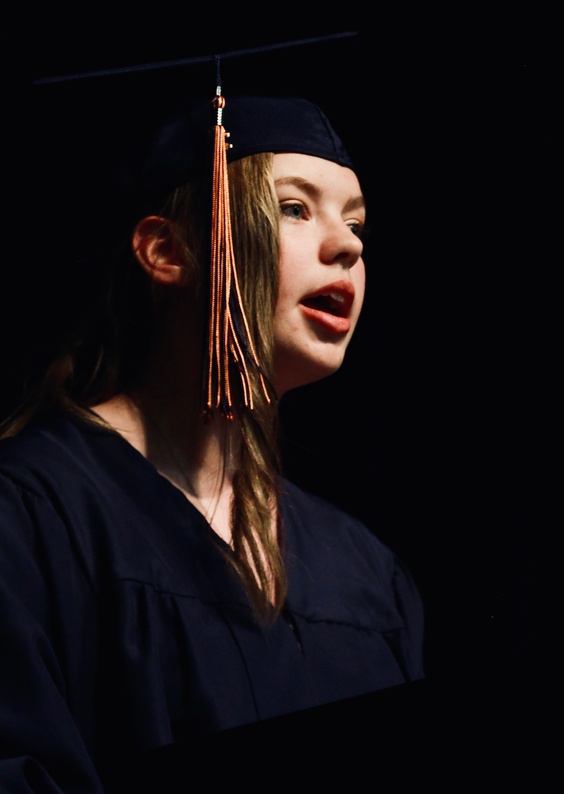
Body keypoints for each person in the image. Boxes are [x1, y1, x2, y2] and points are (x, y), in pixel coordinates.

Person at [0, 77, 425, 792]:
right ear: (168, 252)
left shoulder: (363, 573)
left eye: (357, 226)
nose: (345, 248)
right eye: (294, 208)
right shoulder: (34, 515)